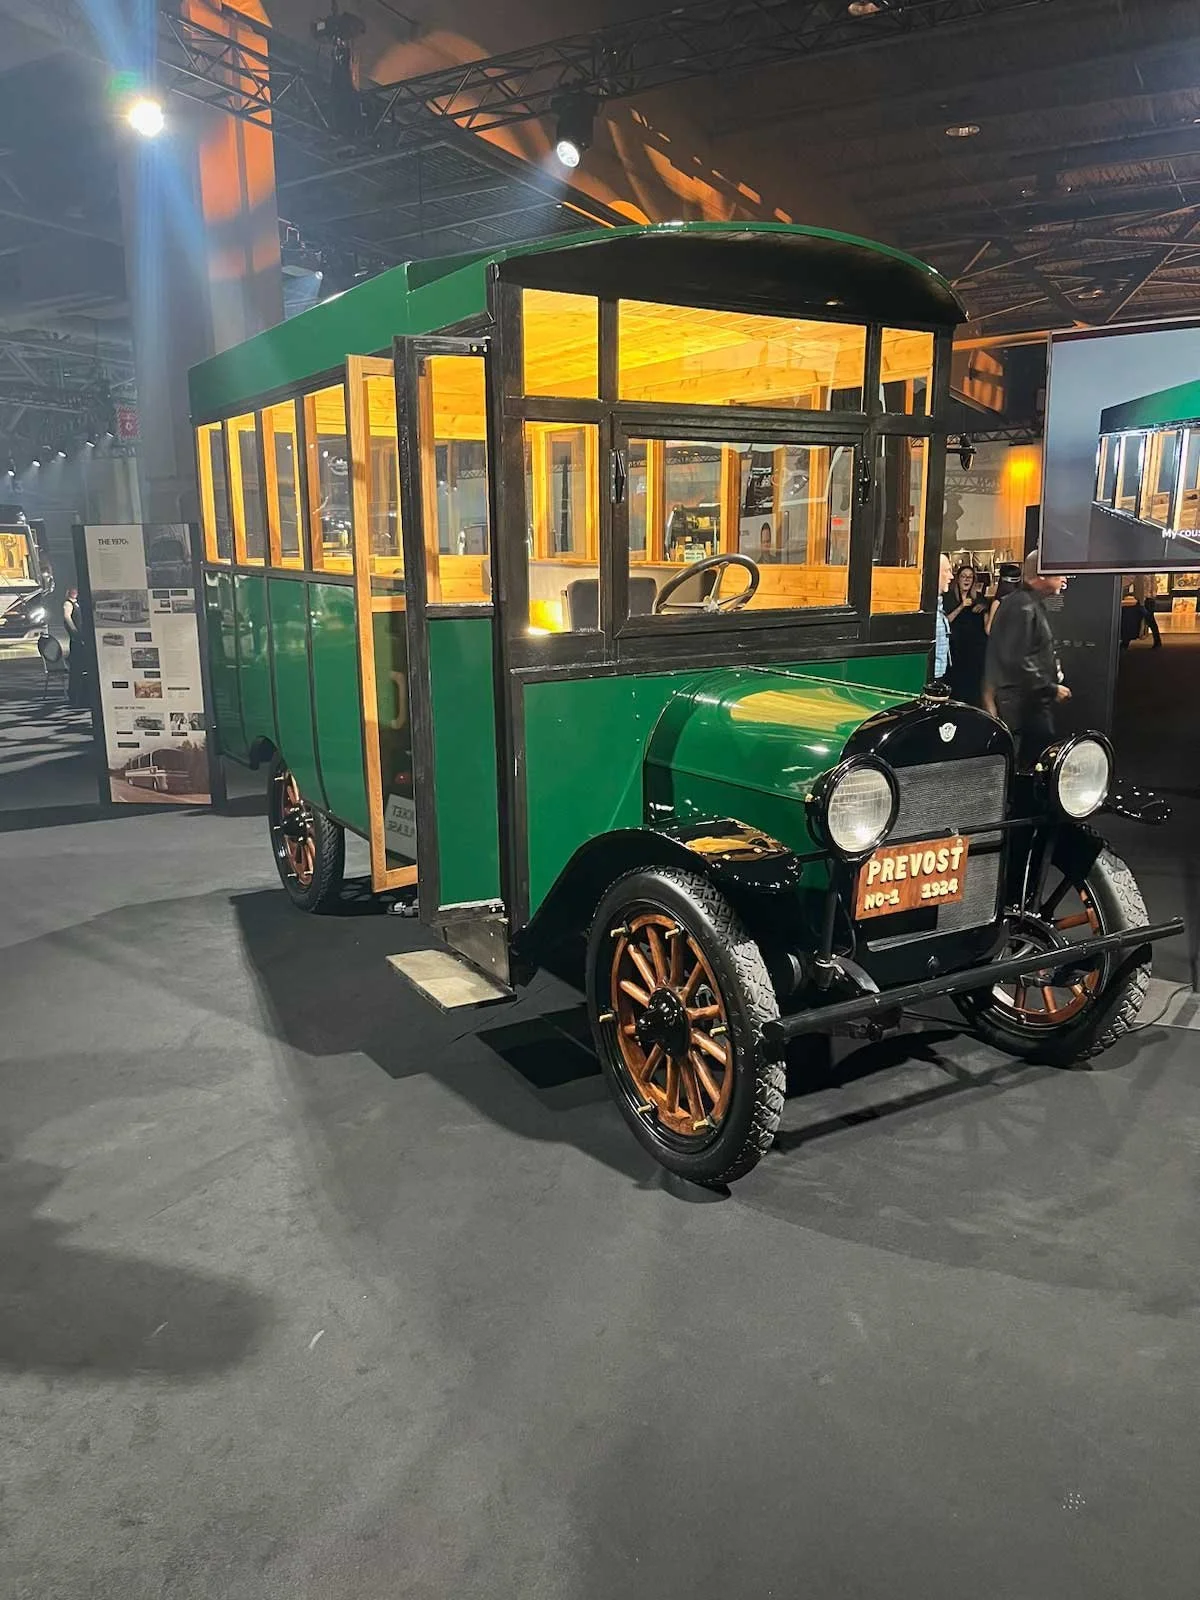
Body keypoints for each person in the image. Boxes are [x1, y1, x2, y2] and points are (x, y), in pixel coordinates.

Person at [983, 548, 1069, 767]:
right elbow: (1017, 660)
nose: (1064, 579)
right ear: (1041, 574)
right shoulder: (1022, 606)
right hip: (1022, 709)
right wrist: (1050, 688)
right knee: (1026, 768)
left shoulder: (1024, 603)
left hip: (1027, 705)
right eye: (1058, 573)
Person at [942, 562, 993, 705]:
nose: (966, 580)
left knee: (974, 688)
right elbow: (945, 622)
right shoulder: (949, 597)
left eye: (970, 577)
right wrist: (961, 607)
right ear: (958, 579)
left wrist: (986, 608)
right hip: (956, 650)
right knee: (956, 686)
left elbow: (987, 626)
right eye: (963, 576)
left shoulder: (979, 598)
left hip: (975, 651)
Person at [63, 586, 85, 707]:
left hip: (80, 637)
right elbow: (67, 617)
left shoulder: (78, 603)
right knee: (76, 667)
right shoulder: (68, 603)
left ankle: (78, 693)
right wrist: (75, 631)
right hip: (76, 638)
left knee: (80, 666)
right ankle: (73, 693)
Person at [933, 551, 952, 682]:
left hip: (940, 676)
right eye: (947, 571)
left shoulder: (939, 607)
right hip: (931, 678)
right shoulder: (929, 611)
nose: (951, 576)